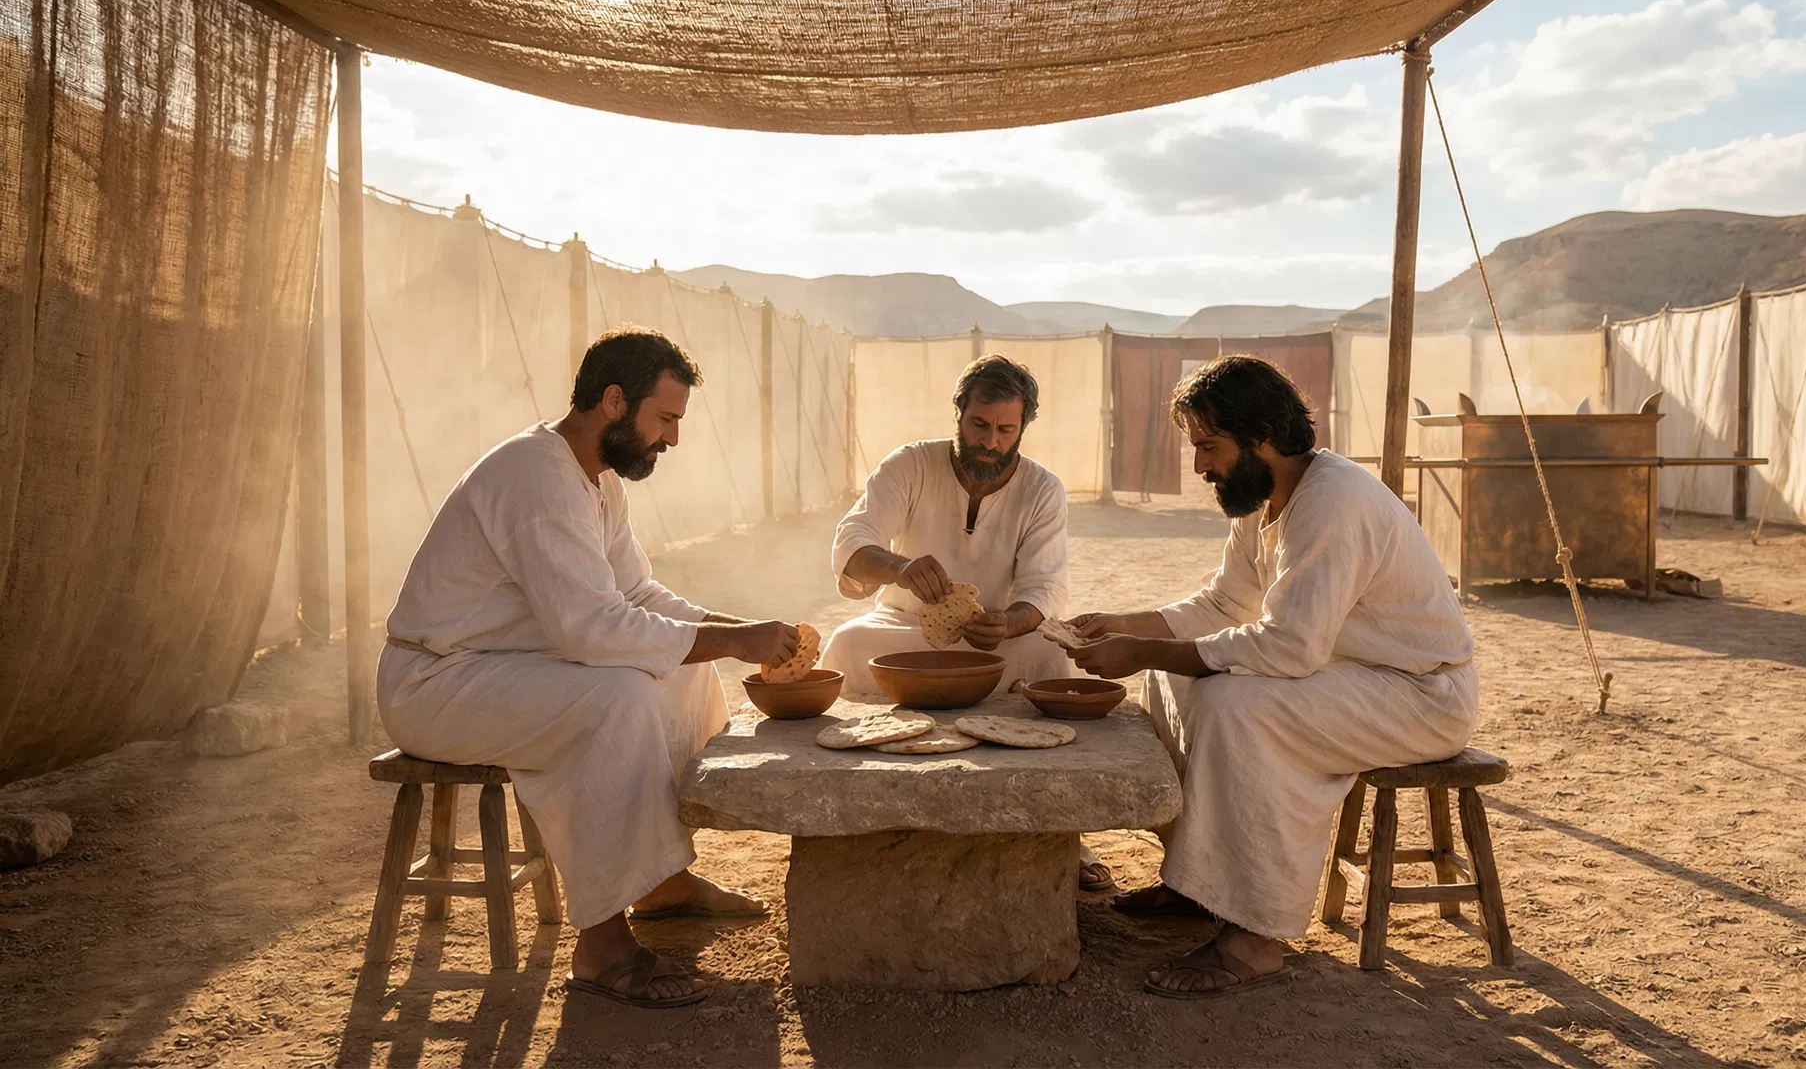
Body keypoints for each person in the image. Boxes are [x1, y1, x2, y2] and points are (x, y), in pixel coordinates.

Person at [378, 328, 801, 1009]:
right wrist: (732, 639)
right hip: (436, 685)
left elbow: (637, 597)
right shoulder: (534, 475)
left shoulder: (596, 482)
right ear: (612, 400)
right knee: (618, 696)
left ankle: (662, 882)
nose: (672, 438)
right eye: (665, 418)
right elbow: (588, 629)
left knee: (684, 668)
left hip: (502, 671)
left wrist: (732, 631)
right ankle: (603, 947)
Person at [1064, 354, 1477, 1000]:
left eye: (1209, 446)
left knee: (1235, 705)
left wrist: (1139, 649)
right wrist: (1125, 625)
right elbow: (1226, 605)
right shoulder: (1262, 498)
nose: (1200, 466)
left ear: (1260, 434)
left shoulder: (1333, 502)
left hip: (1420, 695)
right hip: (1351, 678)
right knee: (1176, 681)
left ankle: (1254, 941)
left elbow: (1287, 648)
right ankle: (1199, 885)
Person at [819, 356, 1112, 890]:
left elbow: (1045, 589)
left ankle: (1064, 833)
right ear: (958, 414)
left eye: (1006, 430)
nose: (991, 442)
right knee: (849, 641)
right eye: (980, 425)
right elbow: (852, 541)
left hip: (998, 641)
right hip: (902, 630)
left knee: (1050, 657)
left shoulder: (1043, 488)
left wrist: (1007, 622)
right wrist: (899, 568)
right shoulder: (908, 465)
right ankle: (849, 810)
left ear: (1024, 427)